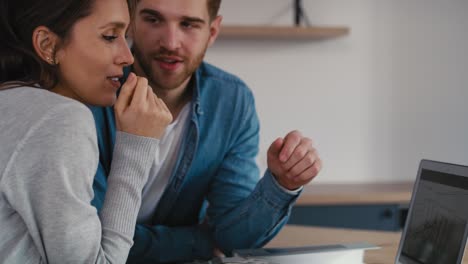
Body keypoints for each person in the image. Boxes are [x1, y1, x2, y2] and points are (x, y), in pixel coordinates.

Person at [90, 0, 323, 263]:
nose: (170, 42)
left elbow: (233, 239)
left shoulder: (232, 102)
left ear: (212, 31)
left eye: (188, 24)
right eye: (153, 20)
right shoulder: (90, 95)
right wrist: (197, 242)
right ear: (131, 22)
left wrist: (282, 185)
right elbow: (89, 237)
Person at [0, 0, 173, 262]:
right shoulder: (58, 117)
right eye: (110, 36)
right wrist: (137, 145)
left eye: (125, 38)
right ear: (48, 44)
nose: (127, 57)